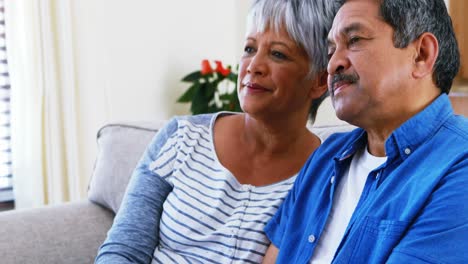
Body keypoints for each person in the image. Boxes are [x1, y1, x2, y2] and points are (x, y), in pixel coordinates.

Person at [95, 0, 337, 263]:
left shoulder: (325, 172)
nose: (253, 66)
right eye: (249, 49)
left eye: (278, 54)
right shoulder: (180, 137)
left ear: (319, 81)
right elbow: (124, 249)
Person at [262, 0, 468, 263]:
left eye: (355, 40)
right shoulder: (325, 157)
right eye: (330, 51)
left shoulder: (459, 165)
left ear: (421, 55)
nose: (332, 64)